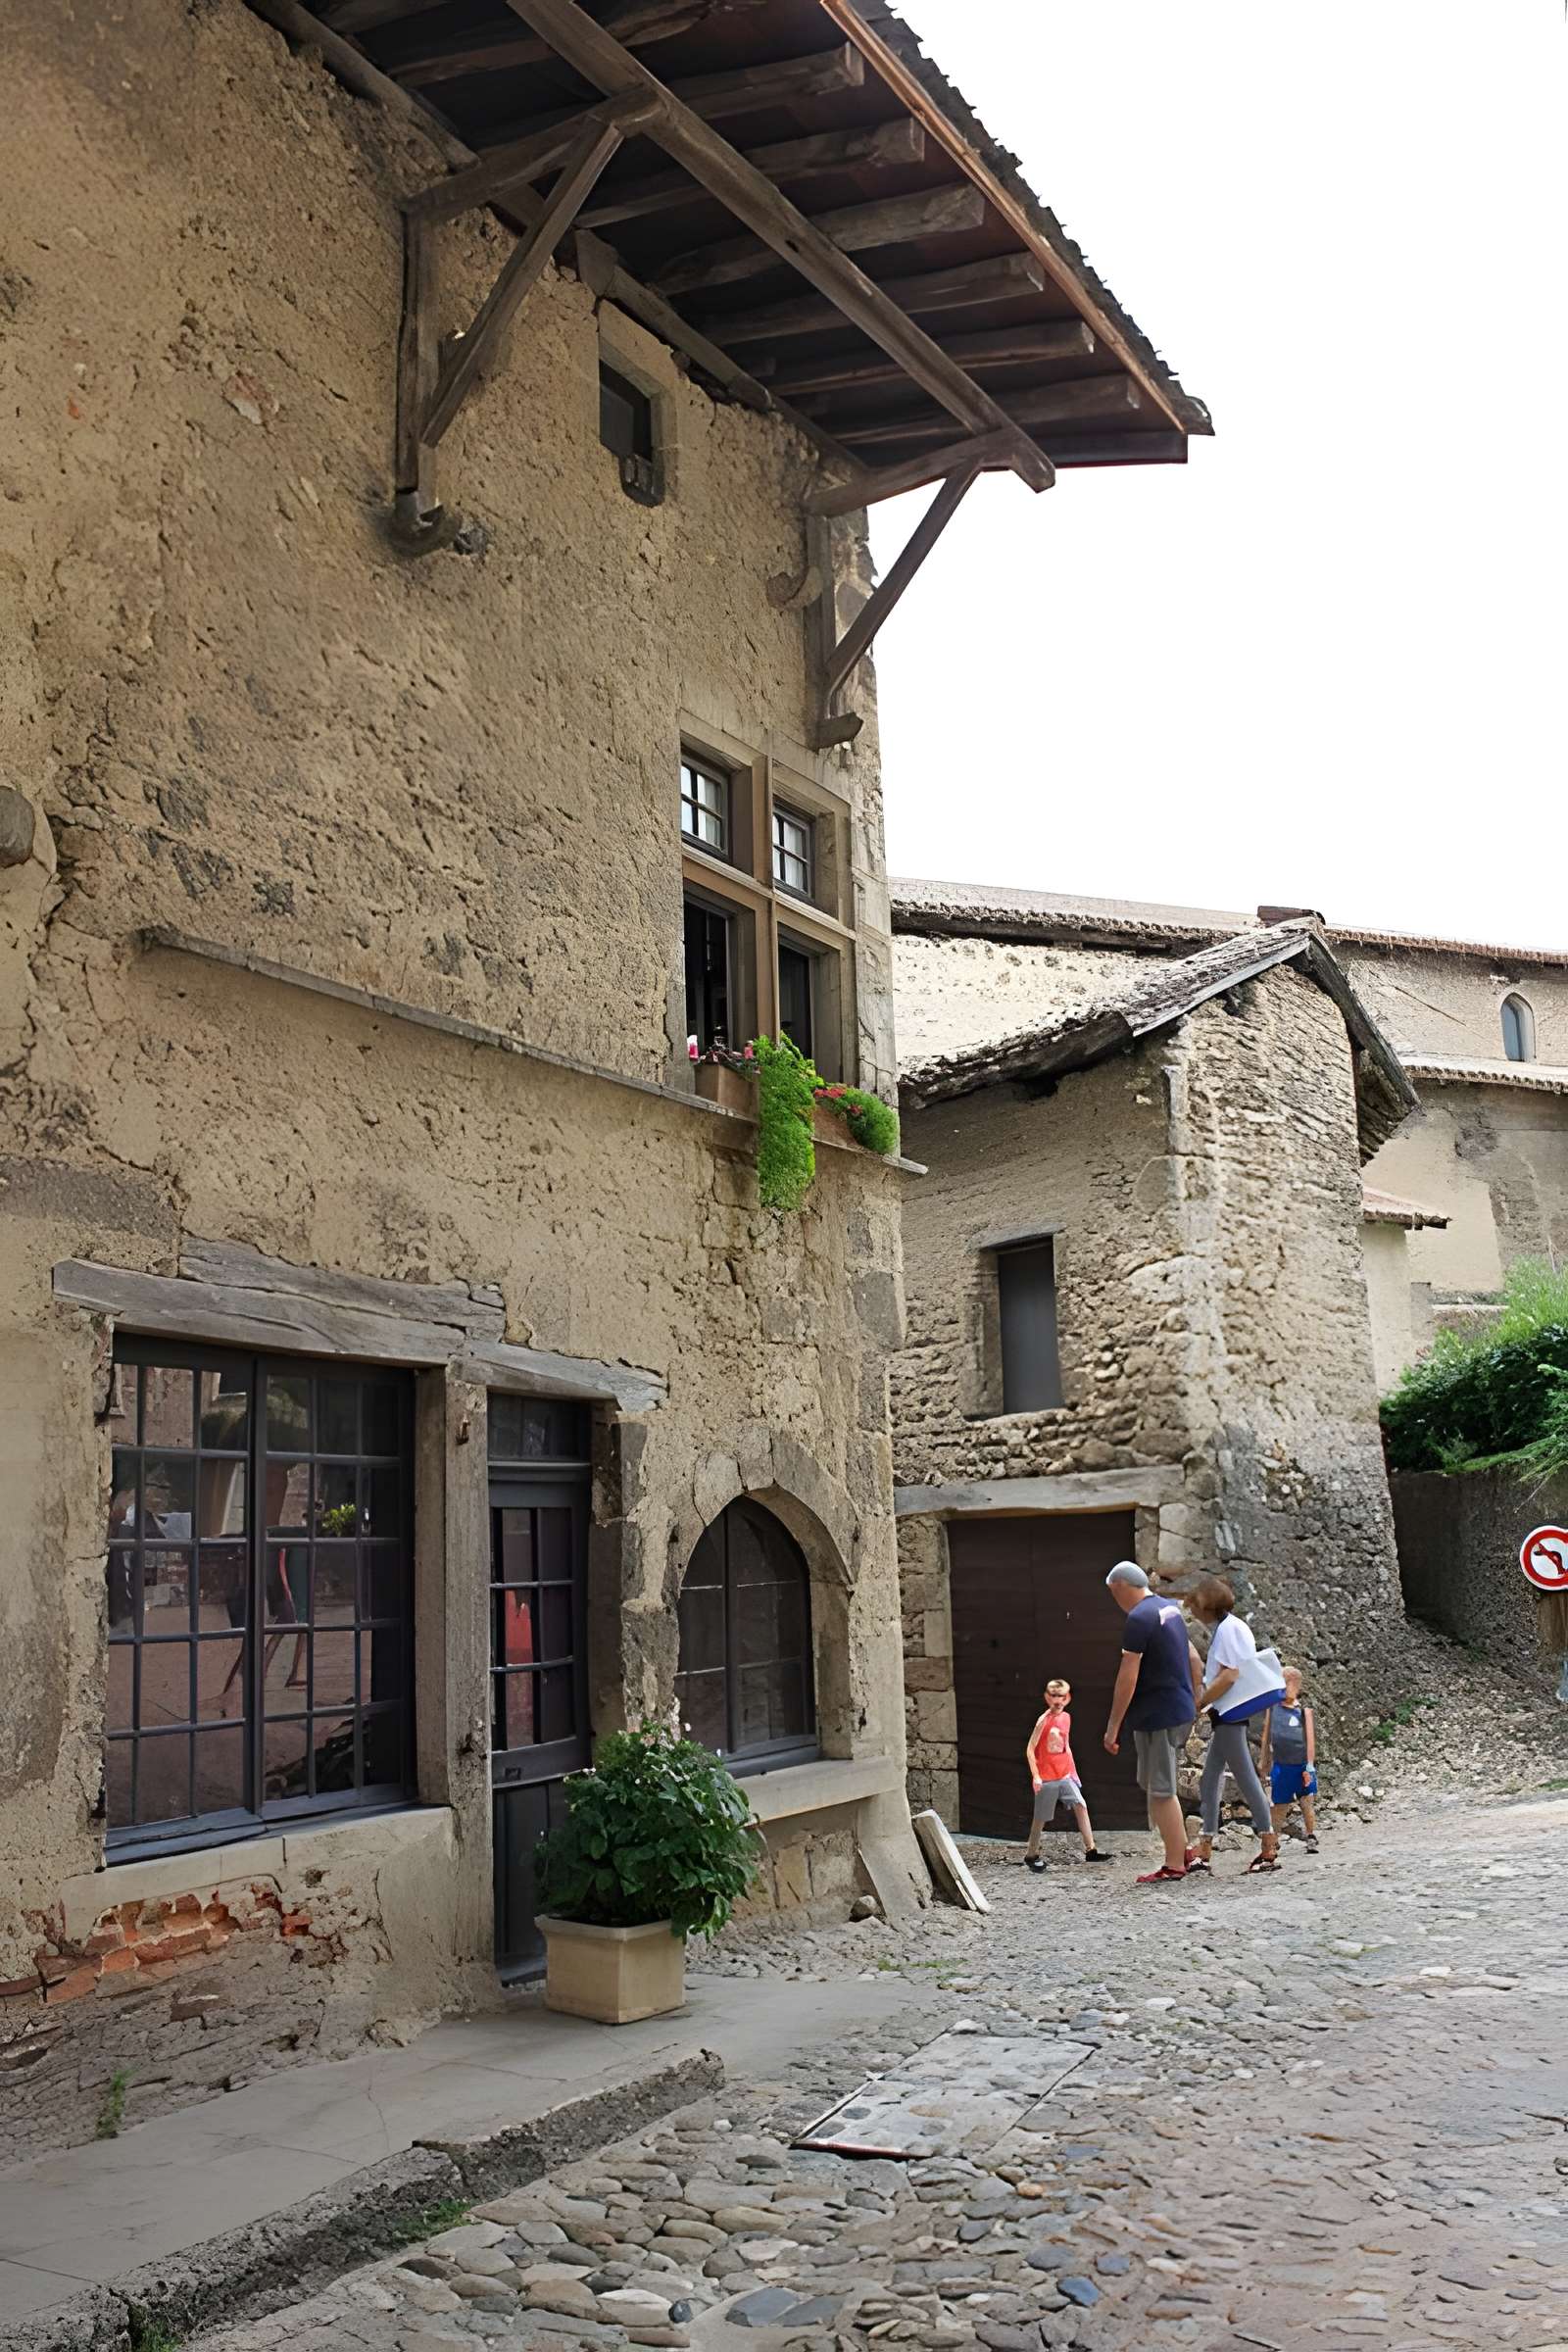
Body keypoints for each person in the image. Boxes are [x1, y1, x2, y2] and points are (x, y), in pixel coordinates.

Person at [1102, 1562, 1200, 1886]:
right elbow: (1194, 1658)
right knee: (1157, 1785)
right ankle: (1181, 1849)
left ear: (1119, 1586)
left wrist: (1113, 1726)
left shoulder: (1139, 1618)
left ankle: (1174, 1863)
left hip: (1156, 1714)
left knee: (1160, 1790)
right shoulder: (1169, 1609)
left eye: (1112, 1591)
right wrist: (1194, 1698)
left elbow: (1126, 1677)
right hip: (1177, 1710)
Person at [1188, 1576, 1285, 1876]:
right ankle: (1205, 1846)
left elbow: (1229, 1676)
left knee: (1244, 1777)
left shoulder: (1227, 1631)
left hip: (1229, 1713)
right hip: (1229, 1713)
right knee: (1211, 1778)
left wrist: (1200, 1702)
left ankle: (1268, 1845)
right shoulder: (1233, 1626)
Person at [1023, 1679, 1112, 1870]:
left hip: (1064, 1774)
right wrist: (1036, 1775)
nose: (1057, 1700)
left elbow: (1066, 1746)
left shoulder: (1066, 1718)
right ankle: (1031, 1854)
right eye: (1053, 1695)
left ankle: (1091, 1850)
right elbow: (1030, 1749)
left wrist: (1073, 1771)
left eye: (1061, 1696)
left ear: (1067, 1698)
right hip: (1047, 1777)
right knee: (1041, 1817)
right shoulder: (1043, 1721)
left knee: (1081, 1805)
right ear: (1047, 1697)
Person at [1261, 1666, 1318, 1852]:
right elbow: (1266, 1736)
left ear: (1297, 1685)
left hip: (1301, 1764)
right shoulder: (1273, 1709)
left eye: (1289, 1683)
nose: (1284, 1687)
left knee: (1306, 1801)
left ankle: (1311, 1835)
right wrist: (1264, 1761)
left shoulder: (1303, 1711)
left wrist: (1309, 1765)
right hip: (1281, 1764)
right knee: (1279, 1805)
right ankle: (1273, 1840)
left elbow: (1310, 1740)